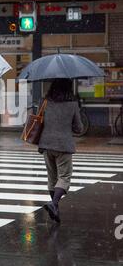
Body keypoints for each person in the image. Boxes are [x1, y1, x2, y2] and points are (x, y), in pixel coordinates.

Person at [38, 79, 83, 223]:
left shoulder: (45, 102)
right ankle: (54, 204)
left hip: (46, 144)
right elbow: (79, 128)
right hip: (64, 145)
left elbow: (40, 122)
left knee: (52, 178)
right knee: (64, 177)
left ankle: (55, 209)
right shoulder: (72, 104)